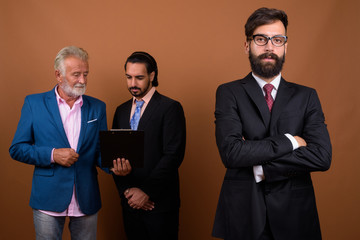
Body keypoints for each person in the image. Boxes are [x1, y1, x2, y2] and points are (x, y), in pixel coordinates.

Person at [212, 7, 332, 240]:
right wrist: (291, 141)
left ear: (286, 46)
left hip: (295, 214)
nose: (269, 47)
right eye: (261, 39)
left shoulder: (307, 96)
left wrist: (262, 168)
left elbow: (321, 156)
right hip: (243, 213)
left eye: (277, 40)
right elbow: (232, 152)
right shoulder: (228, 93)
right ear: (247, 45)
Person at [9, 46, 131, 240]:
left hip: (86, 197)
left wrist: (114, 167)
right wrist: (53, 155)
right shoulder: (34, 103)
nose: (82, 80)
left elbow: (100, 151)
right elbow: (17, 149)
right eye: (76, 75)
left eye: (85, 74)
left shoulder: (98, 107)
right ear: (58, 75)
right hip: (48, 198)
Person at [112, 51, 186, 239]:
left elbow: (173, 155)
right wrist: (128, 192)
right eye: (128, 77)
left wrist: (146, 192)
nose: (133, 83)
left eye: (139, 77)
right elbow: (115, 155)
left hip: (159, 205)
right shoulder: (120, 111)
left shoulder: (170, 108)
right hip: (130, 205)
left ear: (152, 76)